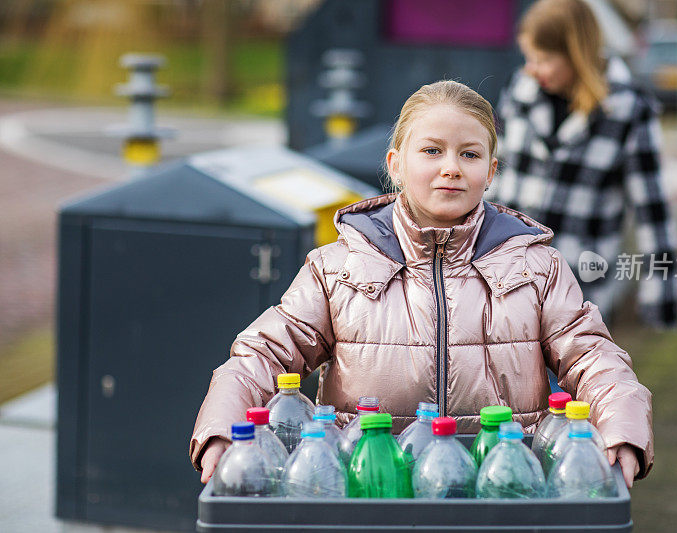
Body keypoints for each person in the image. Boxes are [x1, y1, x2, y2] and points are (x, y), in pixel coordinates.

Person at [190, 80, 653, 488]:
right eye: (432, 151)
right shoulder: (337, 267)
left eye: (469, 154)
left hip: (499, 491)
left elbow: (593, 356)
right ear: (396, 164)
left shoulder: (536, 266)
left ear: (491, 171)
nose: (451, 167)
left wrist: (623, 431)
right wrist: (222, 429)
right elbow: (263, 353)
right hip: (372, 493)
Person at [487, 0, 677, 328]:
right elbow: (490, 177)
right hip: (502, 286)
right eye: (528, 57)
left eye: (544, 59)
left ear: (577, 54)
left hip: (577, 298)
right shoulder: (519, 92)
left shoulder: (629, 111)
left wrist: (660, 299)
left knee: (560, 382)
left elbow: (653, 213)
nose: (532, 69)